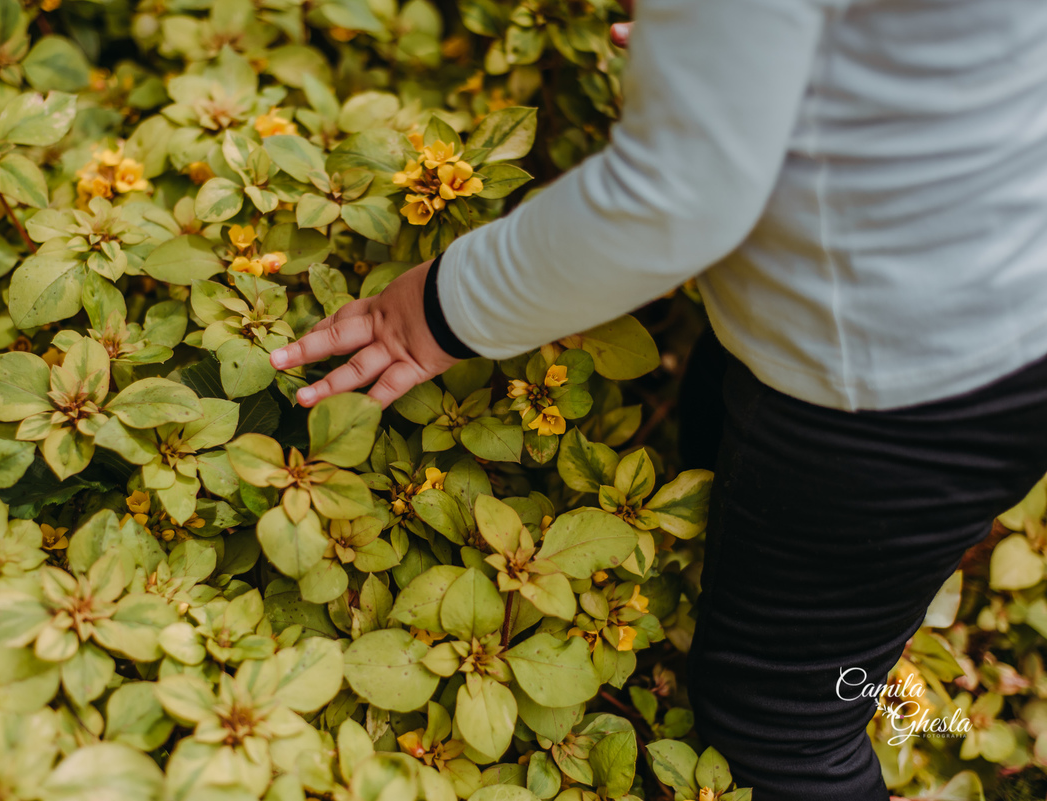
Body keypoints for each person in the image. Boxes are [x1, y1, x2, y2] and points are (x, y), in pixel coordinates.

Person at [269, 0, 1047, 797]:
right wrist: (750, 62)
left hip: (902, 377)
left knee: (782, 723)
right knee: (720, 429)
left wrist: (429, 315)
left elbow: (673, 201)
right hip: (995, 276)